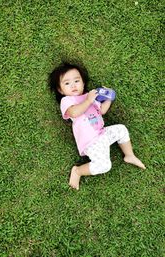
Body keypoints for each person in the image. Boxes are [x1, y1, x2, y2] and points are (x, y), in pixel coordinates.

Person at [49, 62, 146, 190]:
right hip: (91, 141)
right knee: (104, 166)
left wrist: (109, 98)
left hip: (102, 133)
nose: (73, 85)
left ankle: (129, 155)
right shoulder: (67, 101)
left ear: (83, 83)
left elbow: (102, 111)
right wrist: (88, 100)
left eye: (77, 81)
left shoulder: (91, 96)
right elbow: (74, 112)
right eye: (67, 83)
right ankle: (78, 171)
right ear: (61, 90)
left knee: (121, 129)